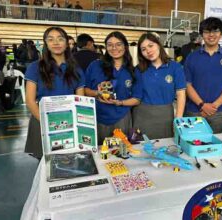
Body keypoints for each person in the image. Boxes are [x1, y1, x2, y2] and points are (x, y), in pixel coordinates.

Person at [24, 26, 85, 159]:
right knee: (45, 166)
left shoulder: (76, 69)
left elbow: (81, 100)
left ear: (67, 43)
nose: (56, 43)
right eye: (51, 39)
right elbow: (29, 100)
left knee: (69, 161)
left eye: (60, 39)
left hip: (68, 123)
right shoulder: (35, 67)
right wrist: (48, 124)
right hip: (42, 122)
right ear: (46, 43)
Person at [85, 31, 143, 144]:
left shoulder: (133, 70)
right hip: (98, 117)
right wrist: (97, 93)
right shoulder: (95, 66)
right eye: (110, 44)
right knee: (101, 151)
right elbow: (84, 91)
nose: (114, 48)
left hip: (121, 118)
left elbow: (137, 99)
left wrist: (119, 102)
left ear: (125, 47)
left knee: (122, 151)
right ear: (106, 47)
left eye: (118, 44)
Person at [184, 17, 222, 133]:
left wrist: (213, 106)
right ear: (202, 34)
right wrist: (202, 105)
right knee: (192, 144)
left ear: (221, 34)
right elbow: (187, 85)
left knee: (214, 147)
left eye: (215, 31)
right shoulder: (192, 57)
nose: (211, 35)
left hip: (219, 112)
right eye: (207, 31)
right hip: (194, 111)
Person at [132, 32, 186, 139]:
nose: (148, 51)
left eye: (150, 46)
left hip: (165, 115)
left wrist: (178, 119)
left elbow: (180, 94)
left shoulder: (175, 67)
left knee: (165, 146)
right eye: (143, 49)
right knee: (142, 148)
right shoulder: (139, 69)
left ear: (158, 45)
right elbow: (135, 96)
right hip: (142, 115)